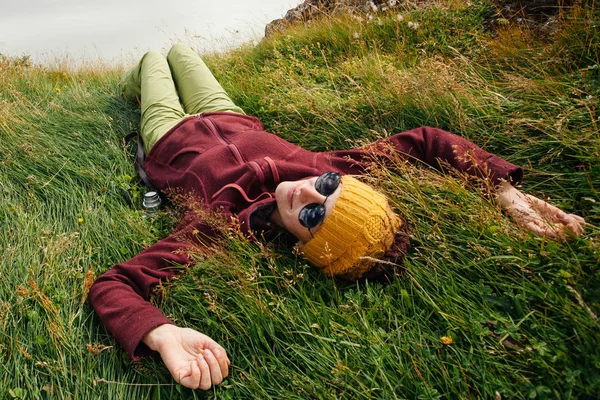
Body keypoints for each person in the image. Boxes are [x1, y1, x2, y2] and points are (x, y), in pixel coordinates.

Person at [88, 43, 585, 391]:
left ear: (303, 247)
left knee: (154, 60)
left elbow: (114, 285)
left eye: (310, 214)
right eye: (328, 190)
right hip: (228, 112)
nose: (306, 189)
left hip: (169, 135)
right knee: (180, 50)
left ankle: (130, 87)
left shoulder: (218, 226)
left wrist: (161, 332)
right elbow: (429, 142)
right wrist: (501, 190)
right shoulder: (333, 169)